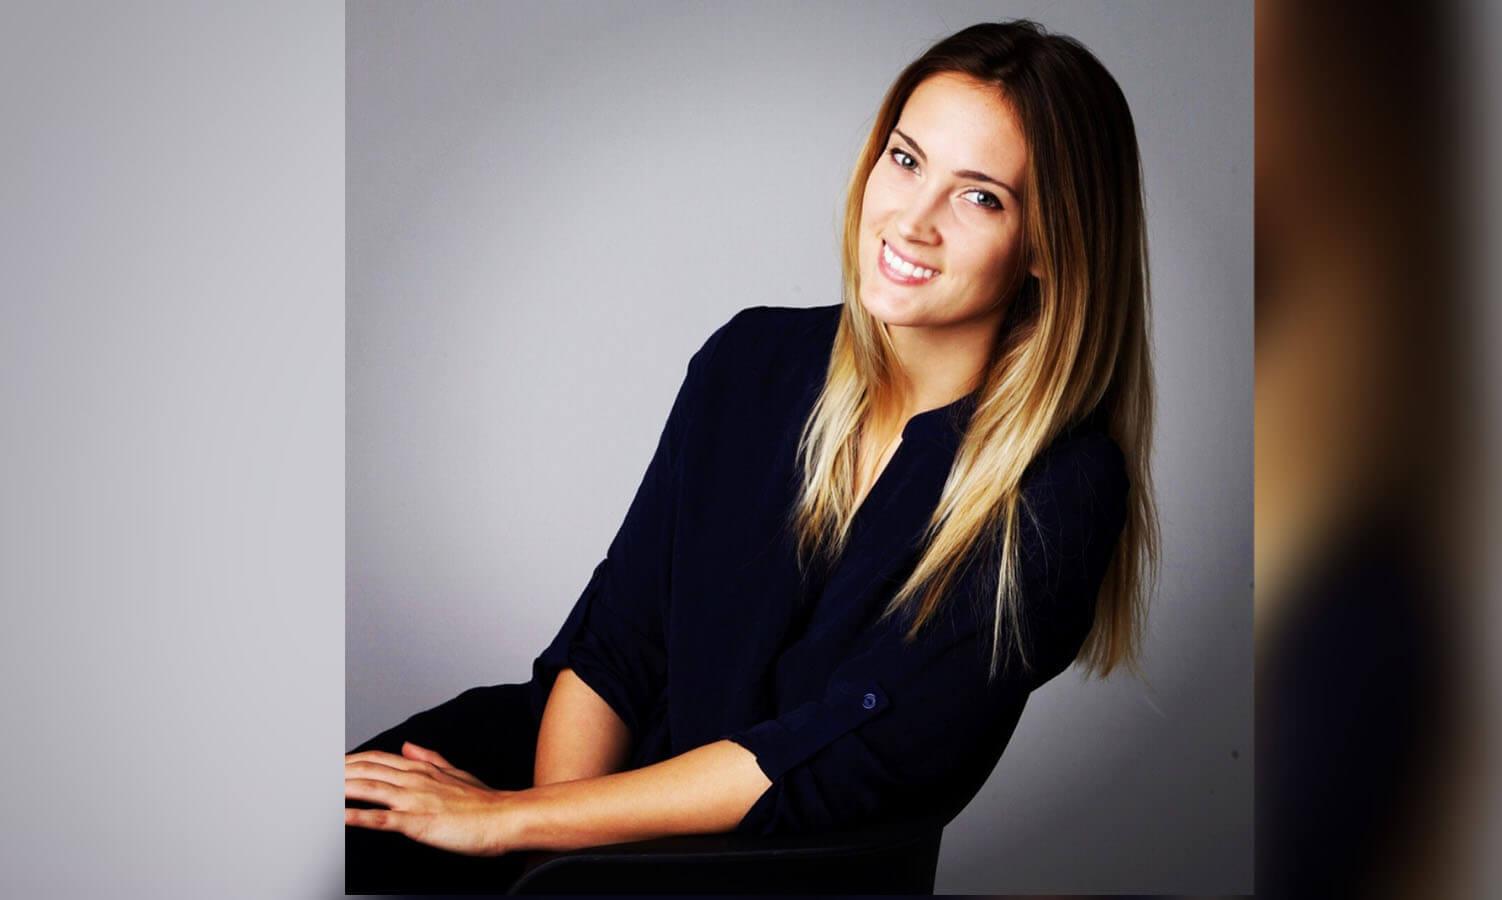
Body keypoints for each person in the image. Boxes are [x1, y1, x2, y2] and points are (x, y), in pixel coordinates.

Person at [345, 19, 1158, 894]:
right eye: (907, 160)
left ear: (1048, 245)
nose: (911, 220)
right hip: (575, 777)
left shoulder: (1061, 490)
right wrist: (549, 844)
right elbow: (616, 644)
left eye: (981, 196)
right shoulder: (752, 361)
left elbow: (829, 751)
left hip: (767, 858)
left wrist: (513, 831)